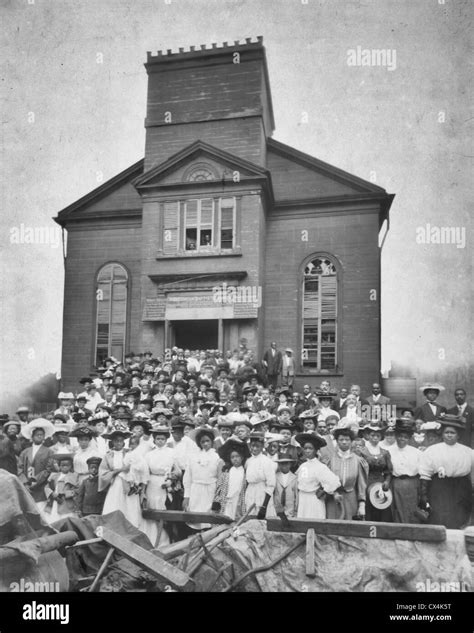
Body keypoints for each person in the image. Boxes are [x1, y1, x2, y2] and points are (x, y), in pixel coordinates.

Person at [419, 415, 473, 529]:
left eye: (452, 433)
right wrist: (423, 495)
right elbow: (425, 474)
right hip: (439, 488)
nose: (449, 435)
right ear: (442, 434)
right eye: (446, 432)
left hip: (461, 489)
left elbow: (471, 474)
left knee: (459, 518)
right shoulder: (432, 451)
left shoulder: (468, 452)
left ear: (458, 435)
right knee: (440, 517)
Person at [99, 426, 145, 531]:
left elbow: (139, 467)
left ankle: (131, 528)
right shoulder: (108, 456)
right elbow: (103, 473)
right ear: (112, 442)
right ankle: (114, 528)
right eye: (116, 441)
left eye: (120, 441)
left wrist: (131, 473)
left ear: (124, 442)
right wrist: (119, 470)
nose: (118, 443)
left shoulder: (130, 453)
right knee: (115, 504)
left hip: (129, 483)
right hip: (115, 483)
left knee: (129, 505)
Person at [142, 424, 180, 546]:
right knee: (152, 510)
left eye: (162, 439)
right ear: (154, 439)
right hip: (152, 484)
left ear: (166, 440)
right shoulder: (149, 455)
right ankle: (152, 539)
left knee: (165, 510)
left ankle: (165, 540)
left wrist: (171, 479)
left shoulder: (172, 452)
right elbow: (145, 474)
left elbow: (178, 471)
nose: (160, 441)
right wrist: (143, 491)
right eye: (158, 439)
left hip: (165, 483)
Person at [323, 426, 367, 521]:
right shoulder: (330, 459)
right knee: (333, 526)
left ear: (351, 442)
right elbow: (325, 480)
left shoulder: (358, 461)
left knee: (350, 528)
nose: (344, 442)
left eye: (347, 439)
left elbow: (361, 484)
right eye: (341, 439)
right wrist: (333, 493)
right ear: (337, 441)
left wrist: (362, 504)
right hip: (333, 498)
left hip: (351, 497)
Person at [294, 433, 341, 520]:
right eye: (305, 448)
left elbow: (334, 482)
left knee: (314, 522)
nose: (307, 451)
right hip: (303, 499)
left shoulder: (320, 466)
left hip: (314, 500)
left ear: (316, 450)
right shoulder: (303, 466)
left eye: (310, 448)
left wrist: (324, 491)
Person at [183, 428, 223, 530]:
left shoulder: (217, 457)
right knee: (195, 518)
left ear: (212, 442)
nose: (205, 444)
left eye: (207, 441)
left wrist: (218, 497)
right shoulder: (193, 458)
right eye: (202, 442)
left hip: (211, 490)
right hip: (196, 490)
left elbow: (220, 478)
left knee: (209, 519)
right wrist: (186, 497)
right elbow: (188, 477)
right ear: (199, 443)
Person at [18, 418, 56, 511]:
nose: (39, 436)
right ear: (32, 437)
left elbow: (48, 469)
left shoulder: (49, 452)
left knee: (40, 512)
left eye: (41, 435)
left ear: (44, 437)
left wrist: (35, 482)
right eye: (37, 435)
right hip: (26, 488)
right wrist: (25, 483)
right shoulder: (25, 452)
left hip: (41, 487)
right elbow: (19, 468)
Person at [359, 422, 393, 522]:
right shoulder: (362, 452)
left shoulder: (385, 453)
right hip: (366, 482)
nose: (375, 438)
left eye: (377, 435)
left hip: (381, 484)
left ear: (381, 437)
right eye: (372, 435)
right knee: (368, 510)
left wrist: (387, 481)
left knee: (382, 506)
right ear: (368, 436)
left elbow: (388, 471)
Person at [389, 418, 421, 523]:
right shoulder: (388, 451)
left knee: (411, 510)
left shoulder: (416, 452)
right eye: (400, 436)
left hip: (412, 484)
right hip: (395, 483)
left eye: (405, 437)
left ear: (409, 438)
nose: (402, 439)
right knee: (396, 510)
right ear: (396, 436)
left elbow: (421, 471)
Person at [212, 438, 249, 520]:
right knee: (225, 519)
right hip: (226, 500)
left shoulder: (245, 472)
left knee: (237, 521)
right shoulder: (226, 472)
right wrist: (216, 501)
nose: (235, 459)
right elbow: (219, 488)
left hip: (238, 501)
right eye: (232, 457)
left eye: (237, 456)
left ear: (242, 457)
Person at [245, 432, 277, 519]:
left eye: (257, 446)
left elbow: (271, 484)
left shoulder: (267, 462)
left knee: (263, 521)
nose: (254, 448)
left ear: (262, 446)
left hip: (262, 493)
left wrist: (264, 506)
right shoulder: (248, 461)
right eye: (252, 446)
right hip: (251, 492)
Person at [44, 454, 79, 523]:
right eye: (62, 465)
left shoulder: (73, 476)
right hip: (54, 501)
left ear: (71, 466)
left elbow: (77, 490)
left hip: (65, 502)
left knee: (65, 519)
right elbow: (46, 487)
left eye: (67, 465)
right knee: (53, 519)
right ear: (59, 466)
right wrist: (51, 493)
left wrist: (65, 494)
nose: (65, 467)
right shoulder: (54, 475)